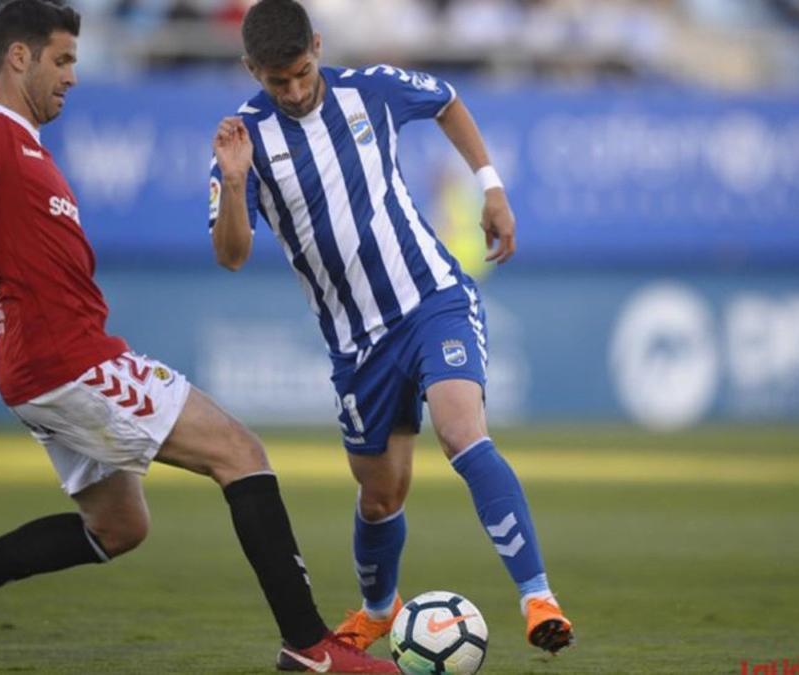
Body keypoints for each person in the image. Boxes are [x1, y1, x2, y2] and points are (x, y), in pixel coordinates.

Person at [0, 1, 396, 672]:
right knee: (241, 452)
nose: (72, 76)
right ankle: (311, 645)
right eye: (62, 60)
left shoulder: (17, 151)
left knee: (120, 527)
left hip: (40, 369)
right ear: (19, 58)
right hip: (71, 360)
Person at [208, 0, 574, 657]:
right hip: (355, 345)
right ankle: (380, 611)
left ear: (317, 46)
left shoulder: (369, 89)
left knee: (463, 433)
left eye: (299, 72)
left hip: (430, 298)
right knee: (380, 495)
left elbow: (448, 100)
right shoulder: (244, 142)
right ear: (250, 70)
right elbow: (231, 253)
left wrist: (491, 188)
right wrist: (235, 184)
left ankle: (537, 596)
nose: (292, 91)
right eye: (275, 81)